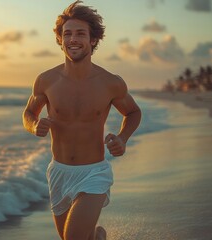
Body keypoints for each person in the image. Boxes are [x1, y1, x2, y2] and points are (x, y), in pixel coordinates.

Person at [22, 1, 142, 239]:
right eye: (67, 34)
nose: (73, 39)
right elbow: (28, 114)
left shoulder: (110, 82)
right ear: (60, 39)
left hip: (93, 173)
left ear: (93, 39)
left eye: (80, 33)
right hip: (59, 172)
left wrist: (122, 138)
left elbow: (133, 112)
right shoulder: (46, 80)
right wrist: (34, 126)